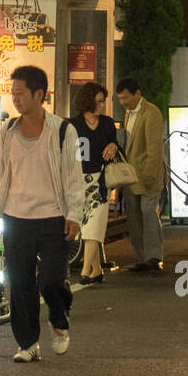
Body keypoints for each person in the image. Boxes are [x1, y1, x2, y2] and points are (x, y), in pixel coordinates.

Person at [0, 66, 85, 362]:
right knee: (21, 283)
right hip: (16, 218)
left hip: (54, 218)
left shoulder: (64, 131)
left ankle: (59, 318)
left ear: (40, 94)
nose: (15, 99)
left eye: (21, 93)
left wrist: (74, 214)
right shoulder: (7, 132)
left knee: (51, 280)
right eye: (12, 93)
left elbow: (74, 176)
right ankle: (27, 344)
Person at [114, 78, 167, 272]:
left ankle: (154, 257)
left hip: (147, 175)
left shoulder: (151, 112)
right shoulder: (128, 113)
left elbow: (154, 148)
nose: (123, 102)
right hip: (130, 175)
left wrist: (150, 175)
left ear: (138, 93)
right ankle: (141, 257)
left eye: (126, 97)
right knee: (134, 217)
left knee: (148, 213)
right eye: (120, 98)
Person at [69, 82, 119, 284]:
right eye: (99, 101)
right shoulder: (73, 125)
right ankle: (96, 270)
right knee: (86, 224)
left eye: (103, 101)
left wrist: (113, 145)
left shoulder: (107, 123)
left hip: (101, 180)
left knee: (94, 226)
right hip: (79, 182)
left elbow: (115, 143)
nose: (102, 105)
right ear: (88, 101)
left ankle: (85, 271)